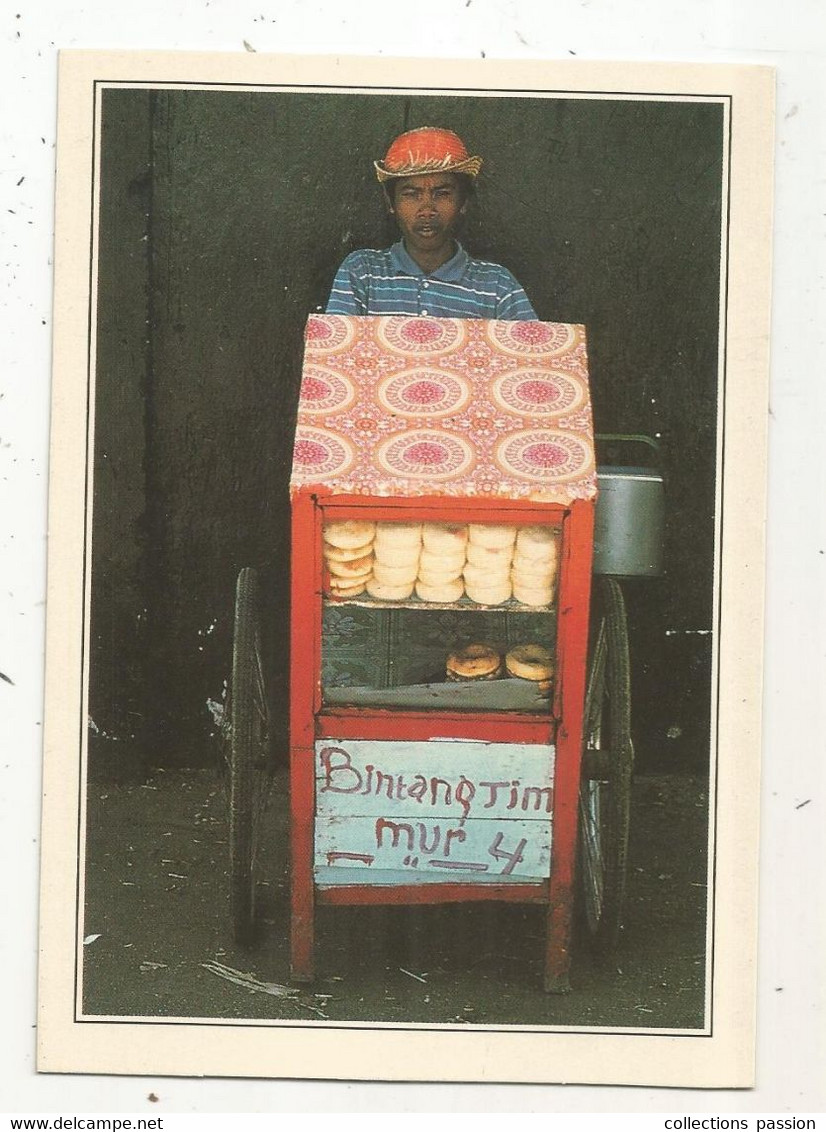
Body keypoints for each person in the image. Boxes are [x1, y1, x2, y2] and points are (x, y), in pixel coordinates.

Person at [325, 126, 538, 321]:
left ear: (463, 202)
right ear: (391, 202)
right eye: (411, 194)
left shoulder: (498, 286)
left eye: (442, 193)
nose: (427, 210)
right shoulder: (362, 272)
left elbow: (530, 360)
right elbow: (335, 357)